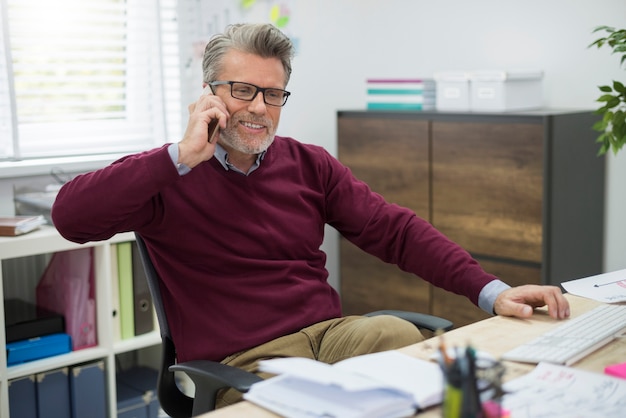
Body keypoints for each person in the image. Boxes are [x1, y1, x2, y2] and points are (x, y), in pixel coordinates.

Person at [51, 23, 570, 407]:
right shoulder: (166, 174)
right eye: (242, 90)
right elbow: (70, 218)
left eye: (272, 93)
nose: (258, 107)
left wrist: (492, 290)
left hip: (331, 336)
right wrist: (179, 158)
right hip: (246, 362)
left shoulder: (308, 164)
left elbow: (396, 231)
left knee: (408, 347)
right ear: (209, 94)